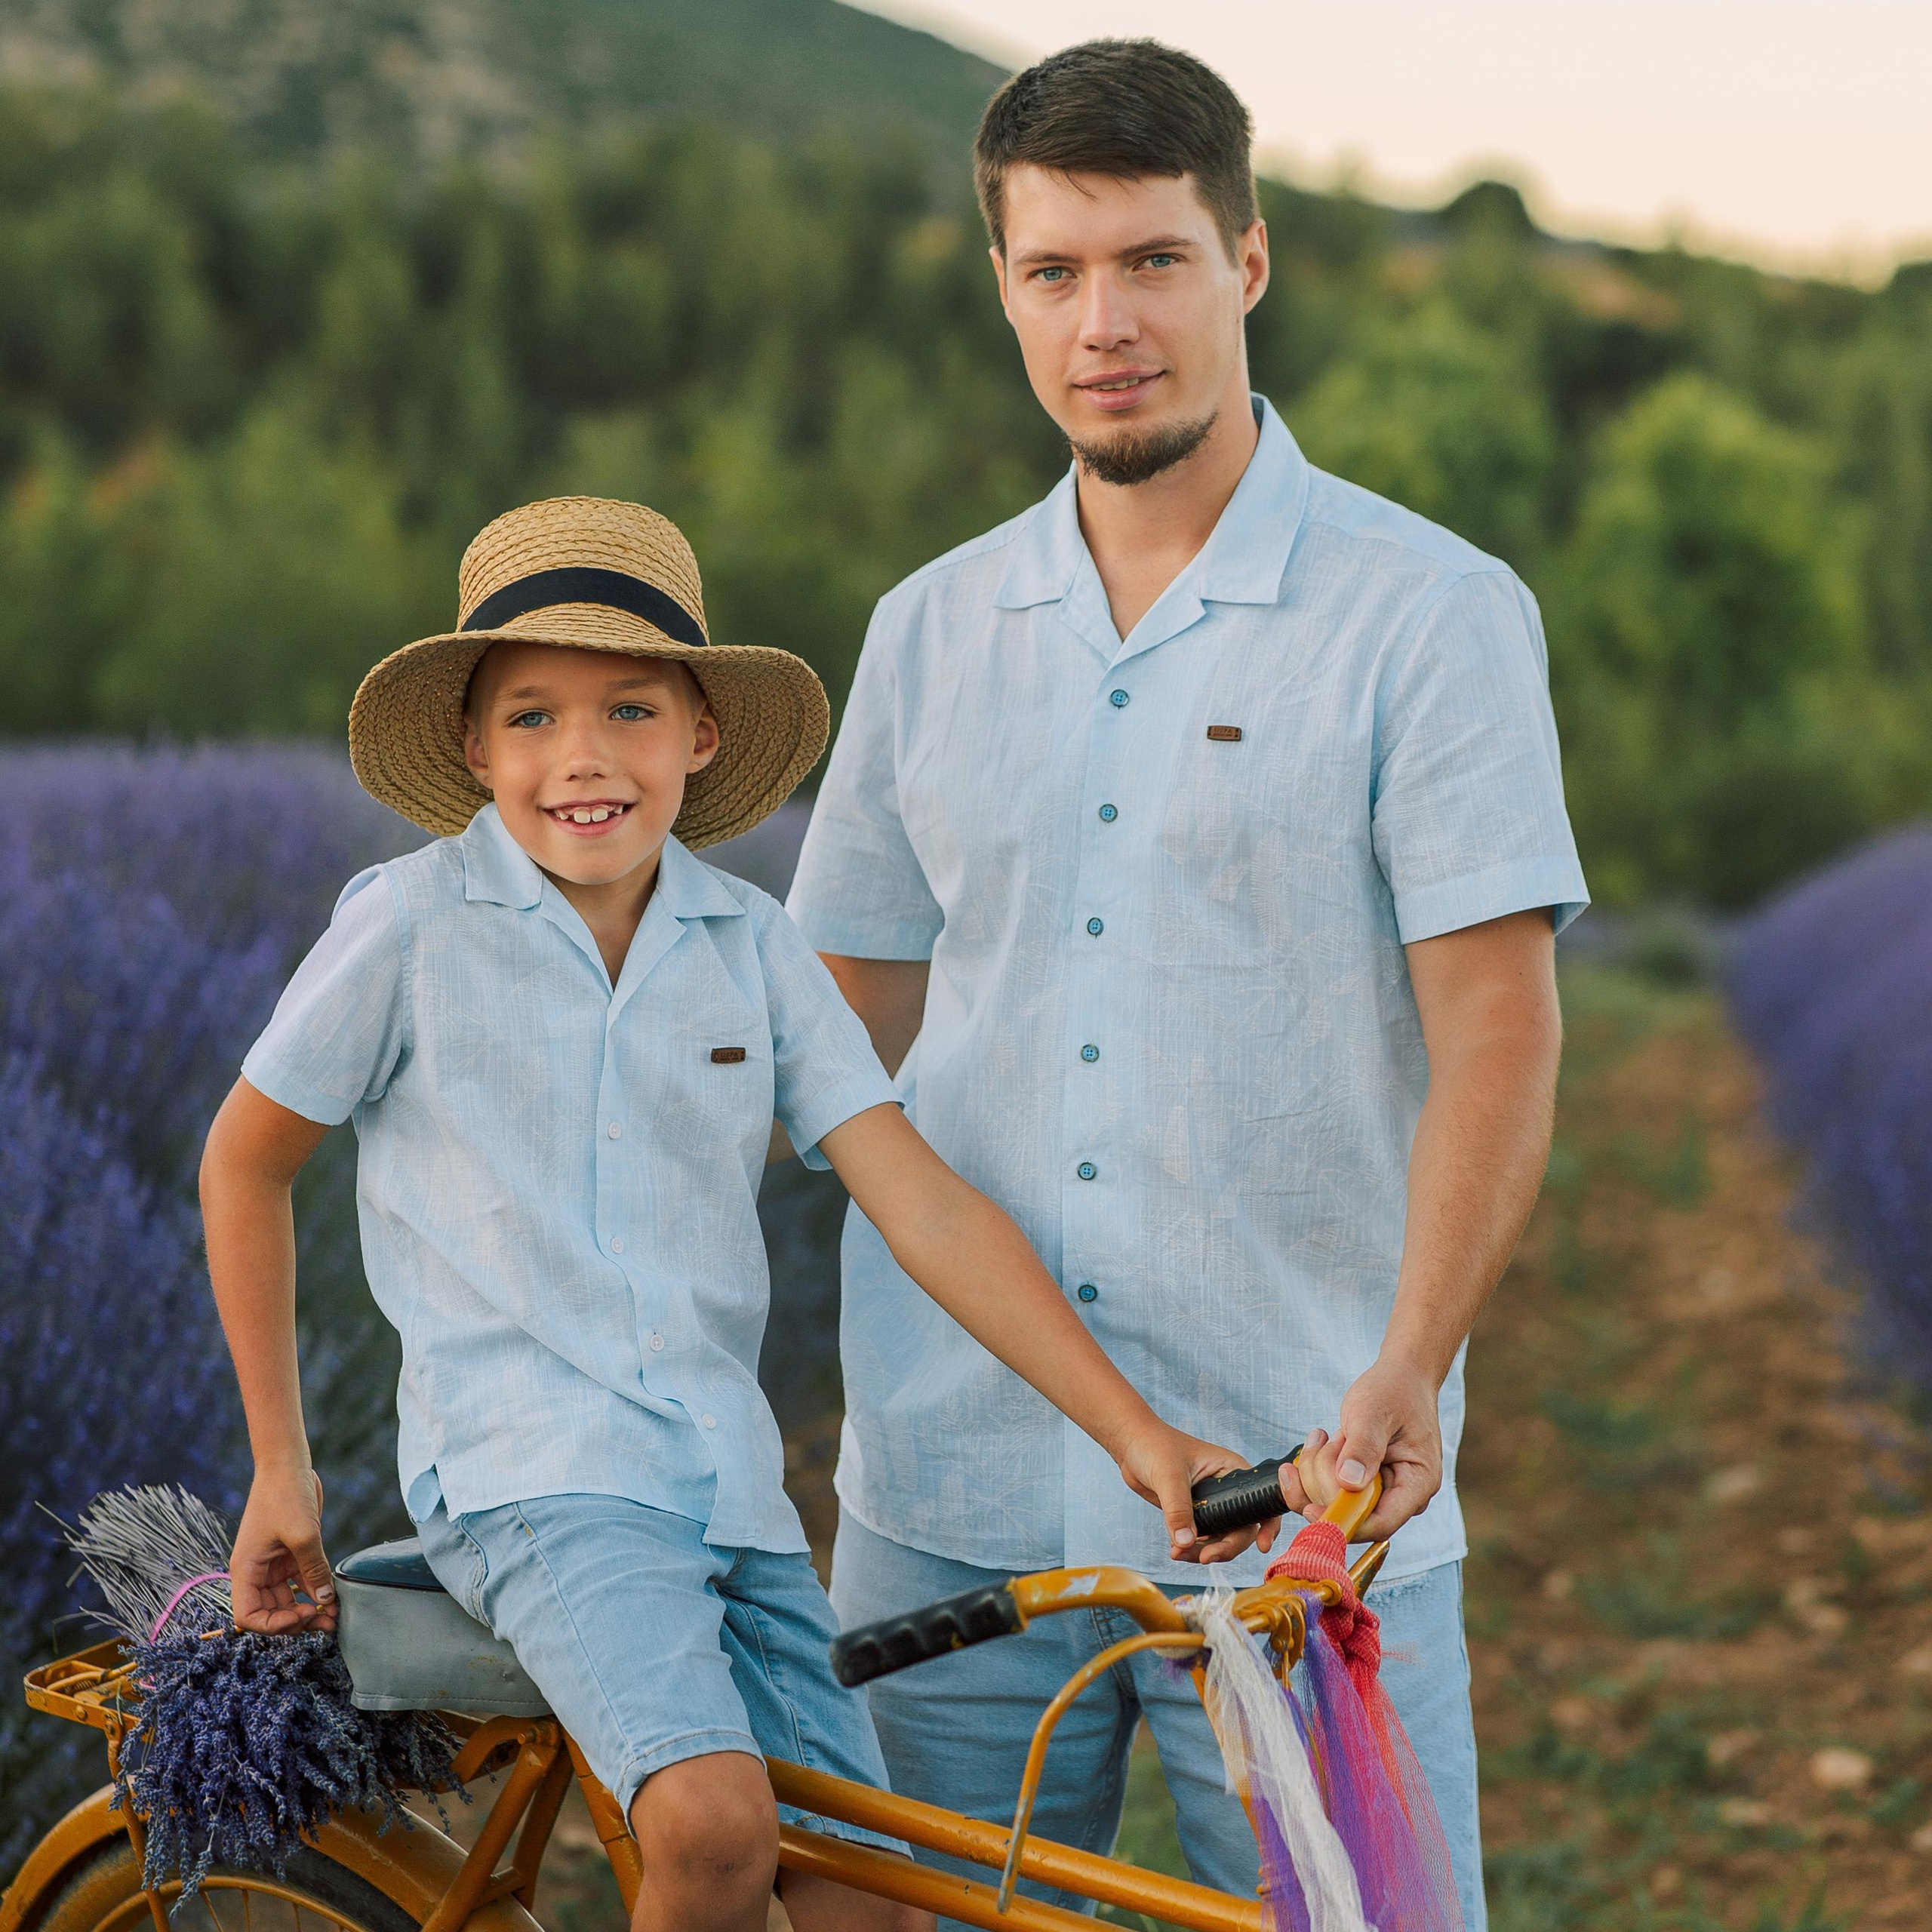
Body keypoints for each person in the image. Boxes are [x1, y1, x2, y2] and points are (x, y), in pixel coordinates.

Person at [785, 39, 1589, 1930]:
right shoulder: (927, 628)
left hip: (1304, 1496)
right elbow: (834, 1034)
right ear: (1000, 287)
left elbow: (1496, 1024)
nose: (1101, 323)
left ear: (1245, 258)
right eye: (1053, 272)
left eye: (1148, 260)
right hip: (946, 1488)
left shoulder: (1428, 615)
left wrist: (1411, 1360)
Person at [197, 495, 1255, 1932]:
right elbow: (244, 1159)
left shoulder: (748, 944)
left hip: (725, 1490)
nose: (583, 757)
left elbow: (921, 1201)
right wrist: (284, 1469)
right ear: (472, 746)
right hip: (535, 1476)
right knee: (709, 1823)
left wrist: (1138, 1435)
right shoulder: (411, 927)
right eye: (531, 717)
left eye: (630, 709)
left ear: (699, 734)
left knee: (863, 1889)